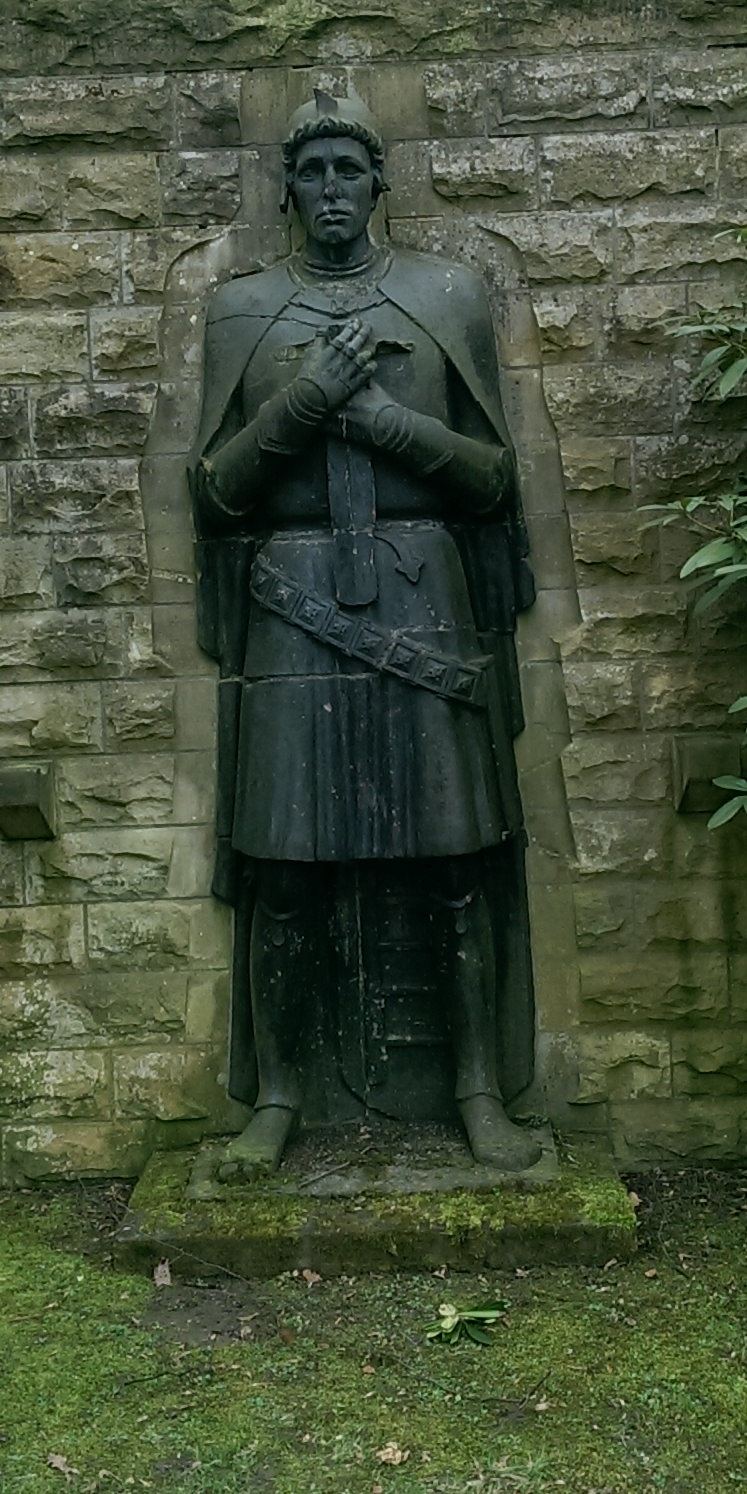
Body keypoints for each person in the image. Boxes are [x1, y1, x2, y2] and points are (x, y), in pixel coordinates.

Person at [190, 85, 541, 1179]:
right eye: (311, 171)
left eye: (349, 169)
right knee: (282, 872)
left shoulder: (446, 296)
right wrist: (302, 406)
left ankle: (479, 1091)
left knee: (453, 864)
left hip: (421, 596)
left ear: (379, 184)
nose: (330, 189)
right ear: (284, 188)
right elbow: (213, 495)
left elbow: (493, 481)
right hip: (288, 611)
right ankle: (280, 1098)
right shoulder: (240, 311)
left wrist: (383, 418)